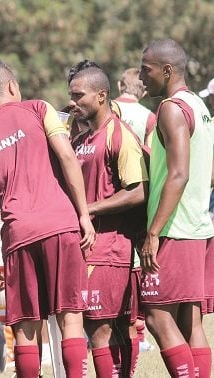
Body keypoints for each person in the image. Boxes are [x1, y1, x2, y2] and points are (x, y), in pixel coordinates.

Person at [0, 58, 95, 377]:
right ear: (12, 86)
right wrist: (84, 214)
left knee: (25, 328)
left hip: (18, 235)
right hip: (60, 225)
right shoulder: (38, 108)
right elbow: (67, 157)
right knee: (71, 317)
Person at [139, 39, 214, 377]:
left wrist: (153, 232)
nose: (143, 78)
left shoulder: (170, 108)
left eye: (147, 70)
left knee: (155, 314)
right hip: (198, 226)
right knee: (190, 320)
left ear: (167, 70)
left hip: (174, 230)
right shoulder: (198, 106)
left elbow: (179, 173)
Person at [69, 63, 149, 377]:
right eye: (70, 95)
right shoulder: (80, 138)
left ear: (101, 95)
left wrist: (90, 208)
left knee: (100, 327)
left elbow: (137, 191)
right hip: (88, 246)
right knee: (102, 327)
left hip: (110, 248)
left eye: (79, 95)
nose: (73, 101)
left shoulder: (119, 134)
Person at [115, 67, 157, 146]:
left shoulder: (104, 108)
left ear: (119, 85)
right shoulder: (149, 117)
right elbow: (150, 151)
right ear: (144, 92)